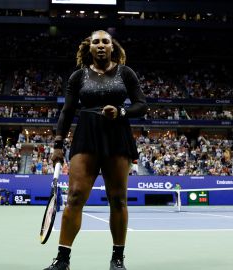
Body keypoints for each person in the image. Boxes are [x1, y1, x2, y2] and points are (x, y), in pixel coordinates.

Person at [44, 30, 147, 270]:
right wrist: (58, 144)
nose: (101, 45)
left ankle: (117, 259)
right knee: (75, 196)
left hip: (118, 135)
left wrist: (121, 111)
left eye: (105, 42)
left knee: (118, 199)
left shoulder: (126, 73)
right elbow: (67, 112)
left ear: (113, 47)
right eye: (96, 42)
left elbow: (142, 105)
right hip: (86, 135)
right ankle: (62, 260)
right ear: (89, 47)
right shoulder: (78, 76)